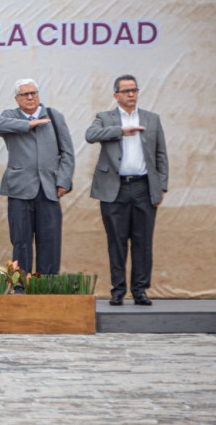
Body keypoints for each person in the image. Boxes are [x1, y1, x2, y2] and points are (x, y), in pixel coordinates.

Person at [85, 75, 168, 306]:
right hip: (114, 189)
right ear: (116, 95)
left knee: (143, 241)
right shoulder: (105, 118)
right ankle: (118, 290)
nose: (131, 94)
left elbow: (161, 154)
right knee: (117, 241)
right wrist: (121, 130)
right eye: (126, 91)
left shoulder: (152, 119)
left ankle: (140, 290)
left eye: (134, 90)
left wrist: (161, 186)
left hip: (143, 187)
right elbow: (90, 136)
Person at [0, 79, 74, 276]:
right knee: (21, 242)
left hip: (49, 189)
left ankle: (47, 287)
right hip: (20, 190)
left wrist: (63, 181)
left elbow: (67, 152)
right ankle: (21, 286)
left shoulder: (53, 116)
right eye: (24, 94)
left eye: (33, 93)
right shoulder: (9, 117)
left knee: (50, 243)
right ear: (17, 99)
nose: (30, 97)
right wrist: (28, 124)